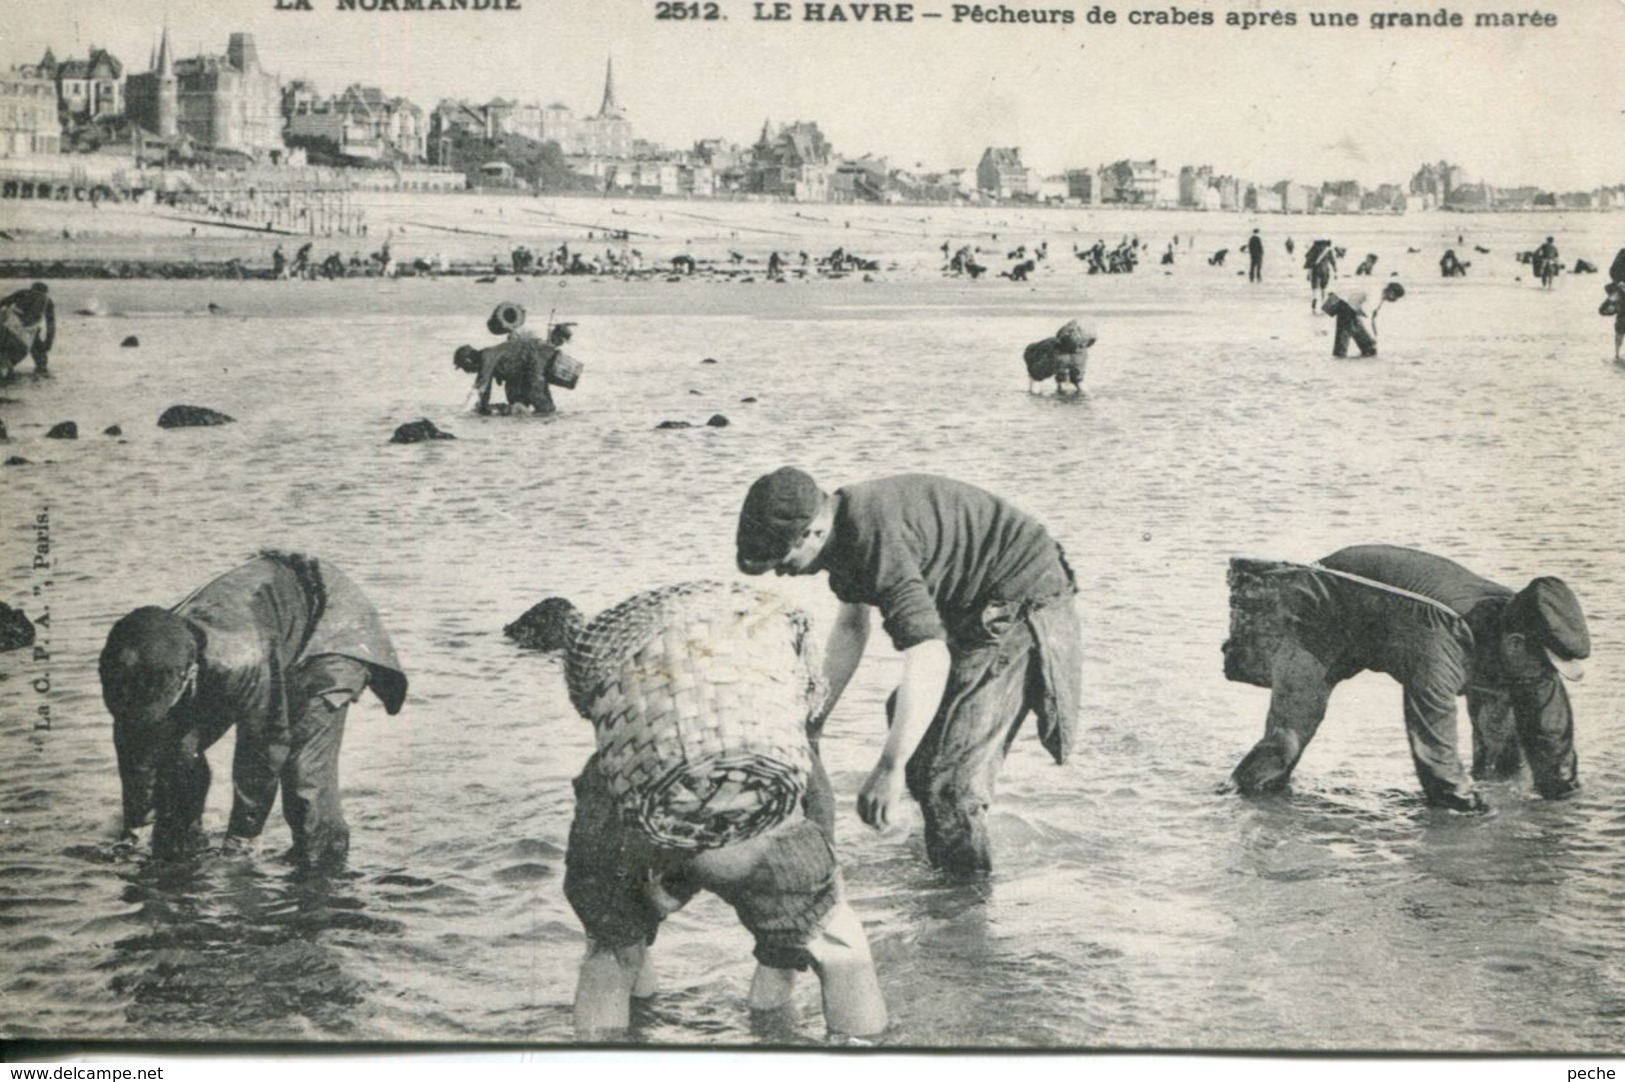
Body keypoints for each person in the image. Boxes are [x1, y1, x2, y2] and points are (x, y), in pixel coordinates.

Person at [562, 584, 887, 1041]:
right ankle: (843, 1052)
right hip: (750, 843)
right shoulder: (773, 732)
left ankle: (617, 1052)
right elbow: (818, 822)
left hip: (634, 832)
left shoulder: (631, 745)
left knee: (615, 951)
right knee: (836, 943)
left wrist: (658, 896)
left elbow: (594, 818)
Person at [735, 469, 1083, 880]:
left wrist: (888, 767)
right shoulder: (843, 531)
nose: (781, 572)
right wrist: (815, 718)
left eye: (783, 558)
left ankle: (962, 916)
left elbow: (929, 653)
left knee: (950, 781)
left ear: (813, 531)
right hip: (974, 602)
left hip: (1019, 598)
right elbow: (851, 628)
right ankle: (941, 860)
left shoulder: (876, 542)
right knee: (907, 721)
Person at [98, 552, 409, 869]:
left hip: (326, 624)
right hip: (262, 618)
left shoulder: (240, 657)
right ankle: (183, 856)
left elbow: (264, 745)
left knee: (304, 776)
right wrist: (136, 828)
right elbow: (137, 742)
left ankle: (322, 877)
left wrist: (242, 839)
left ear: (188, 676)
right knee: (174, 748)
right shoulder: (145, 653)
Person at [1229, 544, 1588, 812]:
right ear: (1515, 644)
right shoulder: (1439, 642)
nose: (1546, 677)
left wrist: (1563, 802)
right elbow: (1434, 751)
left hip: (1394, 620)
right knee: (1286, 738)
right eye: (1545, 666)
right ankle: (1245, 809)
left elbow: (1549, 730)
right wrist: (1466, 811)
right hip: (1324, 607)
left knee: (1504, 755)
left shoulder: (1526, 628)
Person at [454, 320, 573, 415]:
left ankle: (546, 426)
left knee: (541, 403)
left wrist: (466, 411)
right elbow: (484, 394)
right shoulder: (486, 359)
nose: (466, 371)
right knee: (517, 404)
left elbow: (481, 388)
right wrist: (482, 408)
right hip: (520, 372)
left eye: (464, 367)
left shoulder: (487, 357)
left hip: (532, 362)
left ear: (468, 360)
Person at [1323, 281, 1404, 358]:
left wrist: (1375, 335)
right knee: (1345, 345)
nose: (1395, 300)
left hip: (1349, 307)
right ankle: (1339, 365)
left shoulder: (1380, 296)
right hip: (1346, 308)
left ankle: (1340, 363)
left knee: (1367, 347)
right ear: (1391, 293)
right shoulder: (1375, 296)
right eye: (1396, 297)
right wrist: (1372, 336)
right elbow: (1365, 316)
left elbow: (1372, 318)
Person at [1023, 319, 1095, 394]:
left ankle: (1034, 396)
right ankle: (1083, 395)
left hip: (1058, 355)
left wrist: (1034, 373)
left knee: (1036, 378)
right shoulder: (1082, 348)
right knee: (1079, 381)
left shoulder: (1050, 343)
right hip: (1079, 356)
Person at [0, 282, 56, 379]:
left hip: (8, 326)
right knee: (40, 357)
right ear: (46, 292)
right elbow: (51, 325)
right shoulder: (47, 301)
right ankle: (41, 373)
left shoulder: (23, 292)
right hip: (26, 332)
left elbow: (3, 302)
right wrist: (48, 343)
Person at [1305, 239, 1337, 311]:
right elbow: (1333, 261)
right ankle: (1323, 303)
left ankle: (1314, 298)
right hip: (1325, 270)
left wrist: (1308, 272)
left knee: (1314, 286)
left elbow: (1309, 260)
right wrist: (1335, 272)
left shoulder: (1314, 248)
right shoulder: (1328, 249)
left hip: (1316, 269)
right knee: (1324, 287)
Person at [1601, 282, 1624, 361]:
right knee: (1619, 336)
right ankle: (1617, 355)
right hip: (1621, 318)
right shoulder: (1617, 295)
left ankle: (1617, 355)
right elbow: (1603, 309)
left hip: (1621, 318)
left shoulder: (1616, 294)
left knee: (1619, 336)